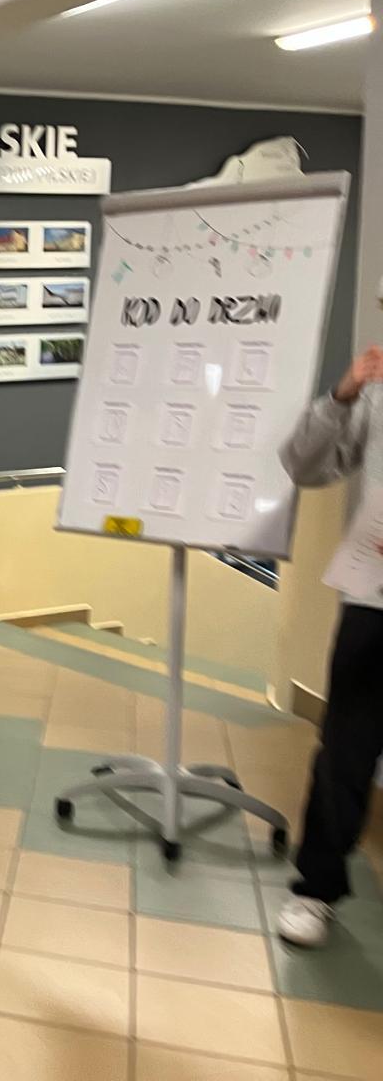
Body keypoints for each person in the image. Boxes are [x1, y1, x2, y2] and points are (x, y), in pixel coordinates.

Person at [276, 344, 383, 947]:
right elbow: (303, 464)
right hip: (375, 600)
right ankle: (315, 889)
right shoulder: (375, 395)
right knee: (345, 750)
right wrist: (342, 397)